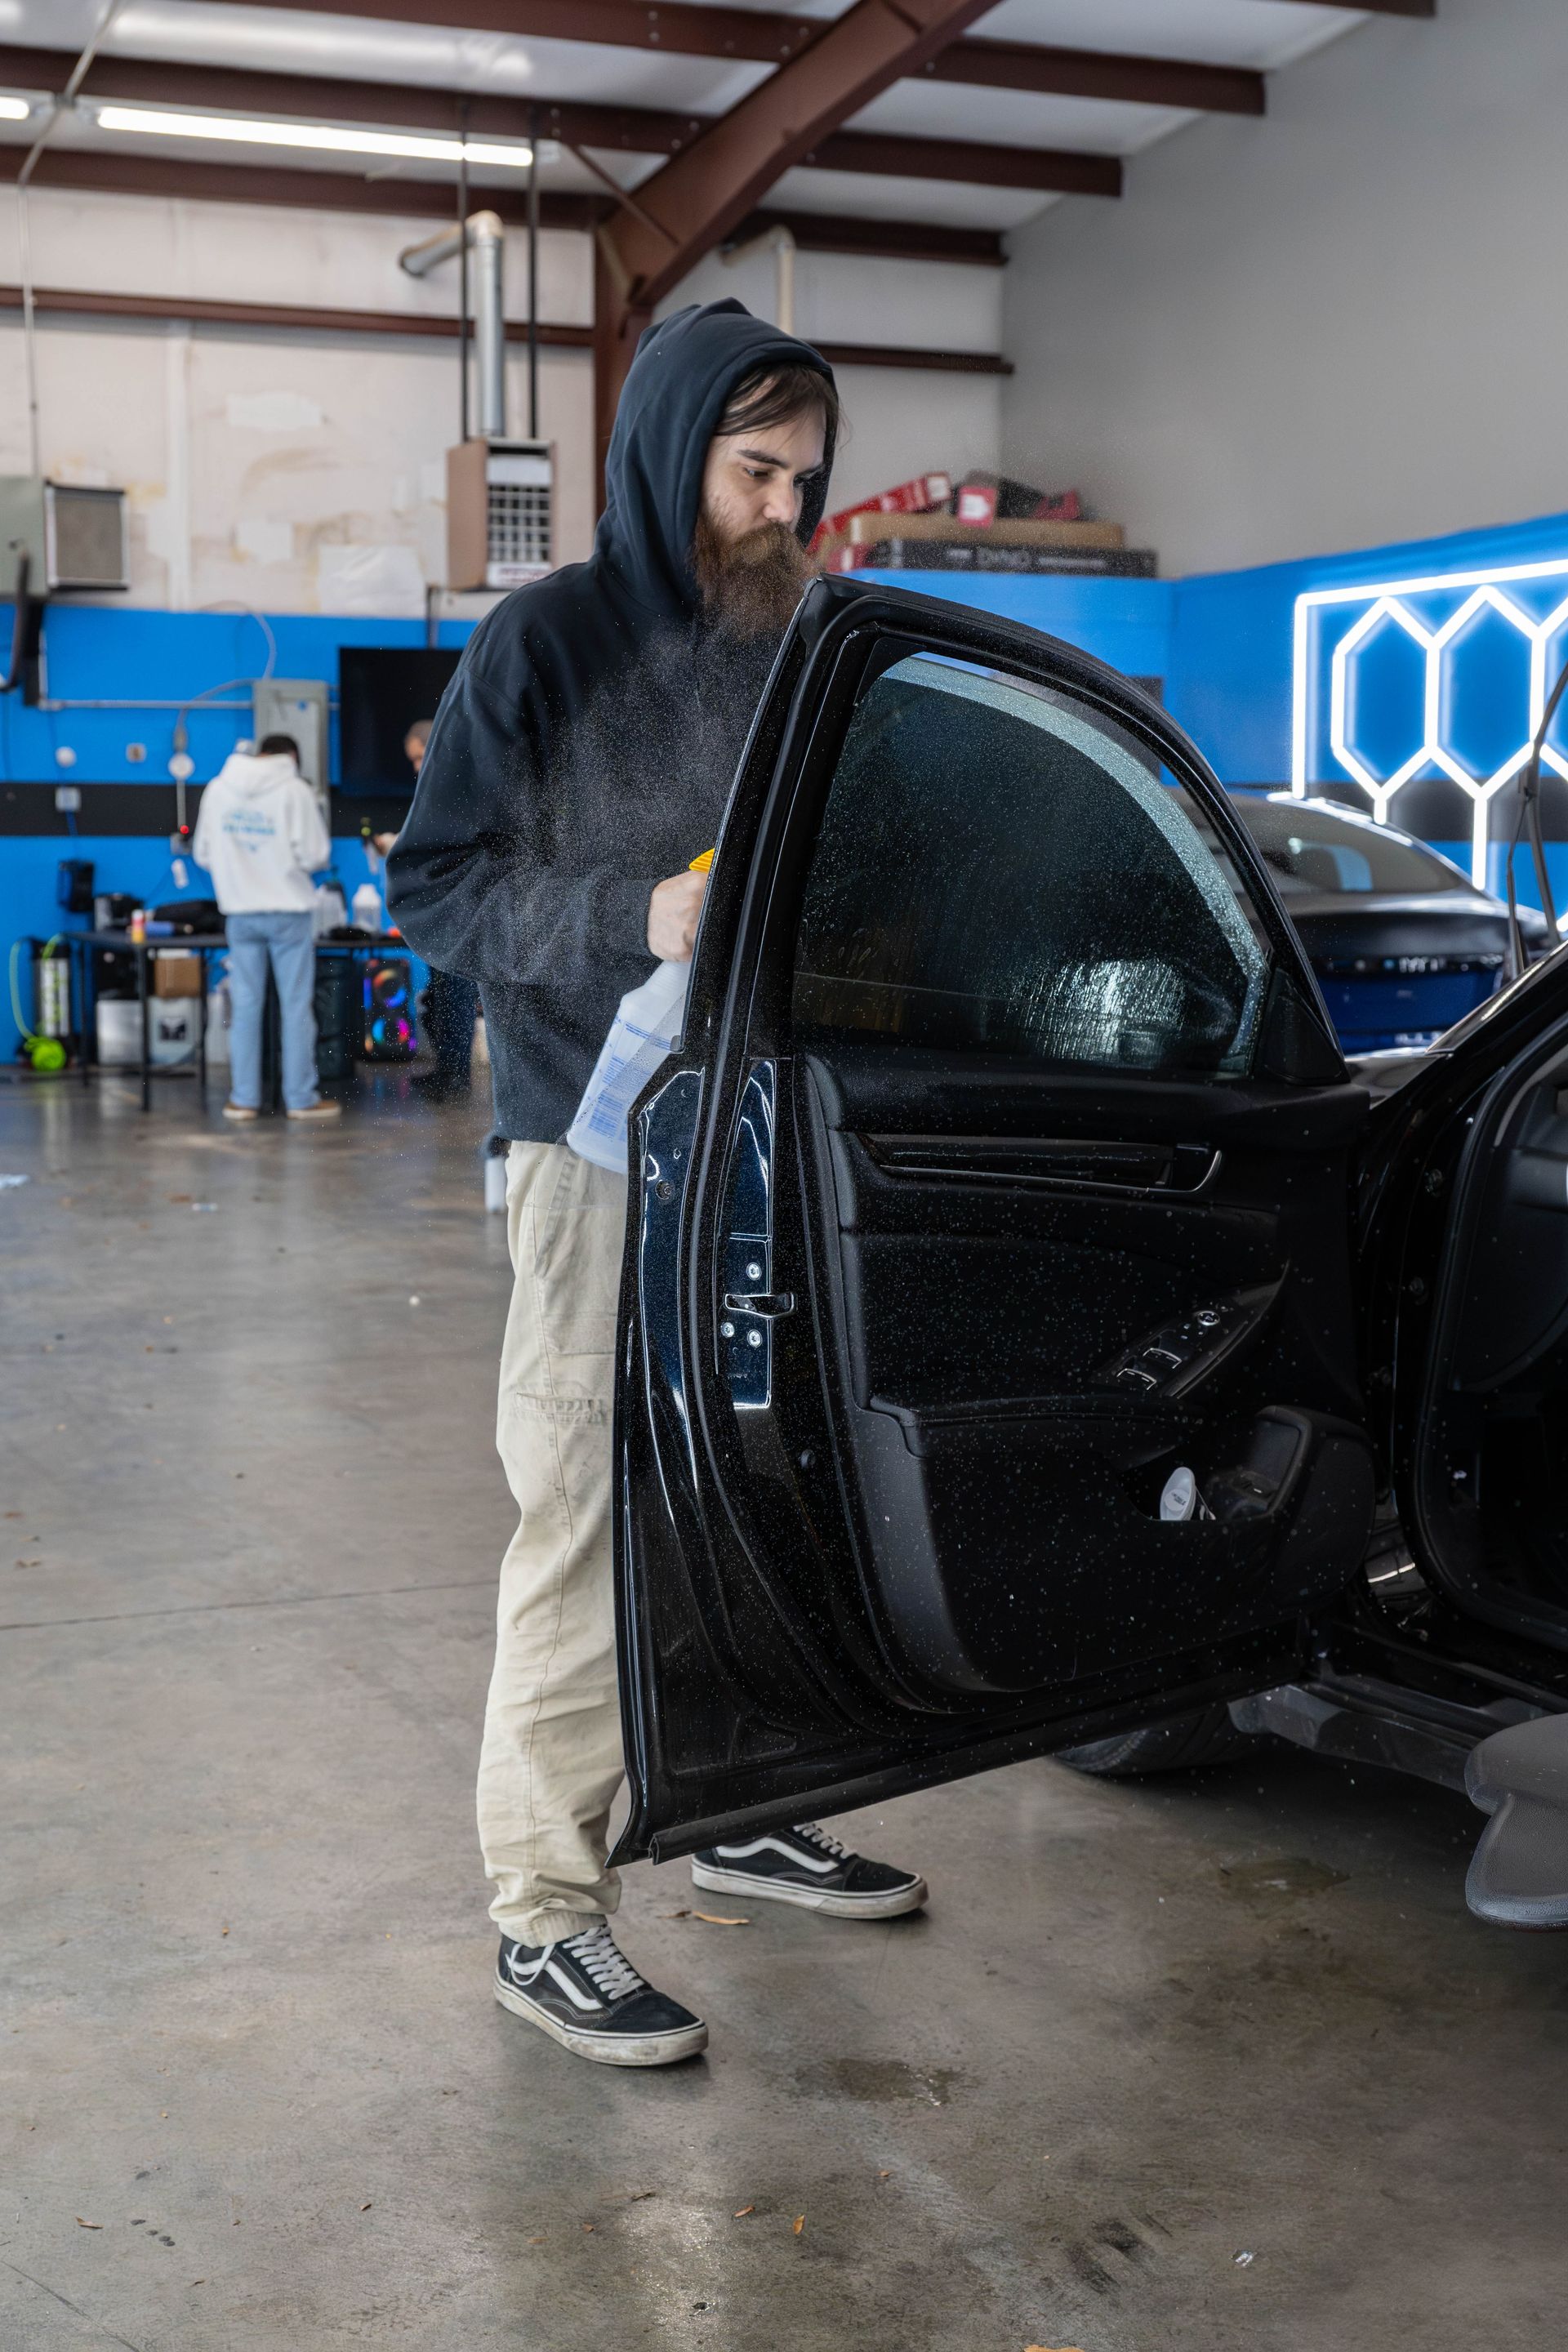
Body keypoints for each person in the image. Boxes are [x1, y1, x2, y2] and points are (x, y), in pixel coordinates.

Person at [389, 301, 926, 2069]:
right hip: (592, 1137)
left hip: (763, 1135)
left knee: (757, 1484)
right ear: (672, 445)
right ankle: (543, 1917)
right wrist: (635, 915)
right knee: (586, 1508)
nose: (786, 507)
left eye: (808, 478)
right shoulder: (543, 643)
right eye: (756, 468)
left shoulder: (801, 641)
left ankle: (737, 1800)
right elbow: (436, 888)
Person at [192, 731, 341, 1125]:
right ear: (290, 757)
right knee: (295, 1008)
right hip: (288, 912)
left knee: (245, 1007)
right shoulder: (295, 790)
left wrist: (241, 869)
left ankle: (243, 1100)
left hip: (240, 913)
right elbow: (315, 854)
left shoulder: (218, 789)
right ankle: (300, 1099)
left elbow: (203, 854)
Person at [374, 719, 479, 1102]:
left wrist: (398, 846)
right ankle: (449, 1072)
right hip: (446, 907)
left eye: (419, 757)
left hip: (459, 909)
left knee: (455, 998)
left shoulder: (456, 782)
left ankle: (455, 1078)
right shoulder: (454, 781)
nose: (417, 768)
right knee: (440, 999)